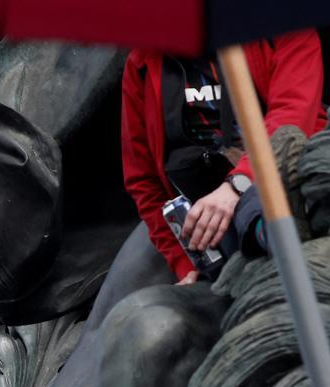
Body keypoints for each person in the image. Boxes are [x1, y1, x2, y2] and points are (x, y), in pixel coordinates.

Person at [121, 31, 326, 282]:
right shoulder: (141, 62)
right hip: (206, 218)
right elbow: (143, 180)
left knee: (261, 205)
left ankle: (275, 232)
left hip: (280, 179)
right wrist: (185, 263)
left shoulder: (288, 28)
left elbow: (292, 119)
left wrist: (237, 185)